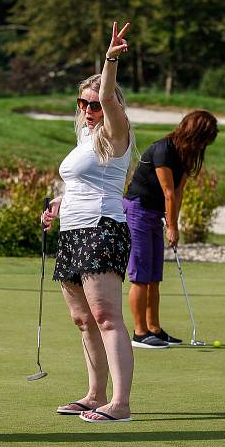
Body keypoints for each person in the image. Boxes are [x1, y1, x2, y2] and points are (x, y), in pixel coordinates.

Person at [41, 22, 134, 422]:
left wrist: (109, 59)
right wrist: (59, 204)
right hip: (74, 230)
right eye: (82, 103)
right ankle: (95, 394)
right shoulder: (85, 138)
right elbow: (81, 182)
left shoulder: (117, 132)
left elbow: (110, 97)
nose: (88, 109)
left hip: (102, 229)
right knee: (83, 320)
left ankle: (121, 402)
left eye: (94, 104)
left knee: (106, 316)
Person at [123, 110, 218, 349]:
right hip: (138, 209)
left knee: (154, 276)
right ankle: (139, 332)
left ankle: (154, 328)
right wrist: (172, 227)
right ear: (195, 133)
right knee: (141, 275)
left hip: (153, 214)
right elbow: (166, 191)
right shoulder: (164, 149)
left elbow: (178, 192)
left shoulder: (186, 154)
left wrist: (171, 221)